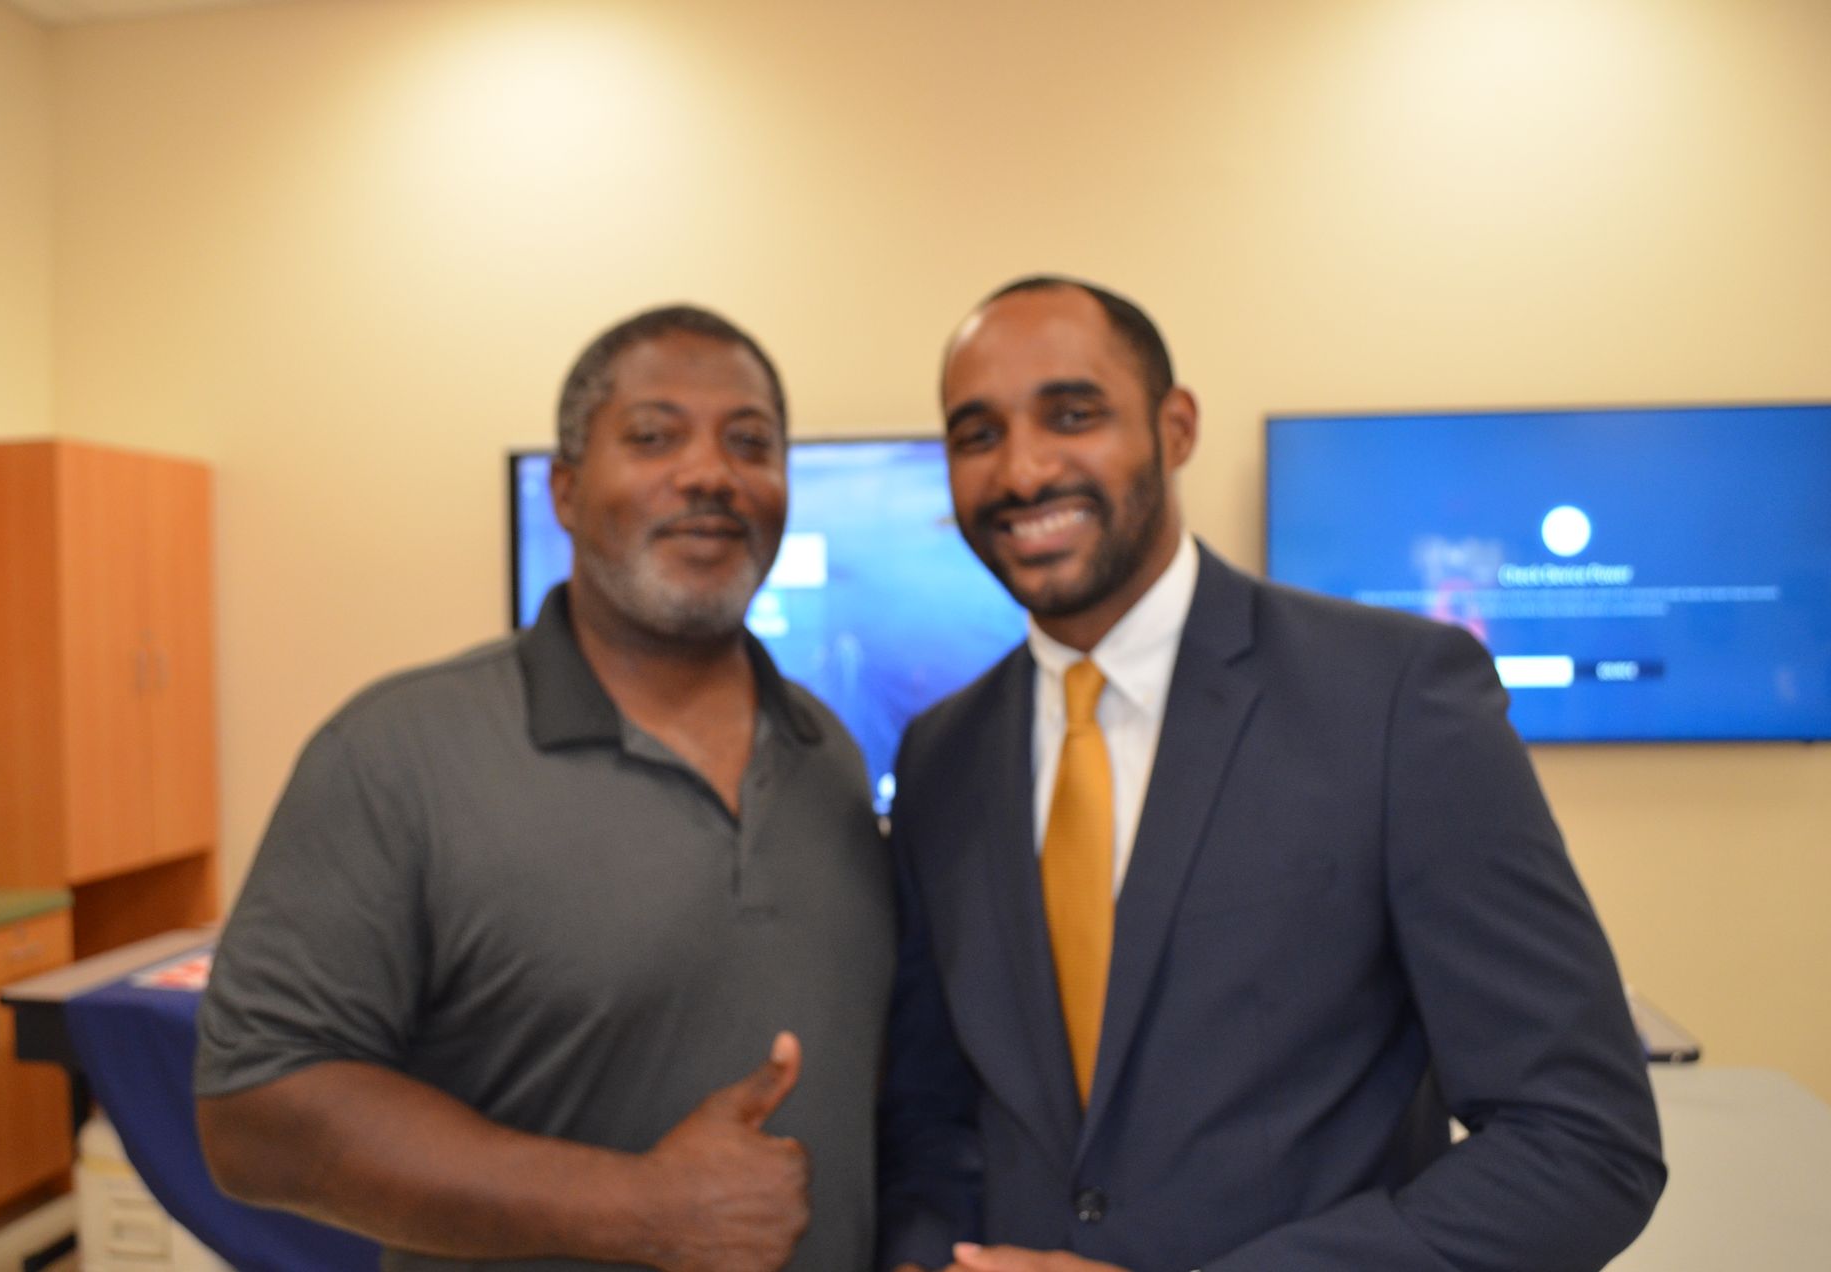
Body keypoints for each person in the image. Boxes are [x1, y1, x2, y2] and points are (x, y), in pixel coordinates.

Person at [876, 277, 1665, 1272]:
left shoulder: (1393, 698)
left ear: (1175, 427)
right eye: (977, 434)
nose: (1023, 469)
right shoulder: (941, 755)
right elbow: (935, 1119)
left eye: (1073, 415)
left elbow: (1583, 1144)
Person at [195, 305, 895, 1272]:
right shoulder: (395, 755)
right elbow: (252, 1113)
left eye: (750, 444)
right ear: (565, 490)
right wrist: (641, 1209)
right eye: (653, 437)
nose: (710, 474)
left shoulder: (831, 756)